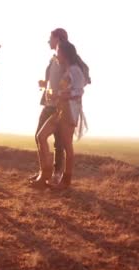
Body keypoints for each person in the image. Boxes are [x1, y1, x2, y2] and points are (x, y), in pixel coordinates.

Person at [29, 28, 91, 185]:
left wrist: (60, 95)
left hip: (67, 110)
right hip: (57, 107)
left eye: (51, 38)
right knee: (41, 136)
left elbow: (79, 88)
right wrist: (49, 87)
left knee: (64, 145)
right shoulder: (59, 63)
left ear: (59, 41)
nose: (49, 42)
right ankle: (46, 173)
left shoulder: (75, 68)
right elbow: (62, 83)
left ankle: (62, 177)